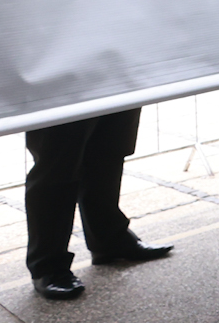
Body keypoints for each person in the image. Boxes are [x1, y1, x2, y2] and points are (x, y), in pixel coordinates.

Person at [22, 109, 173, 302]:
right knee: (57, 162)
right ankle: (47, 265)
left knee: (110, 148)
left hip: (115, 80)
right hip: (57, 87)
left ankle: (110, 239)